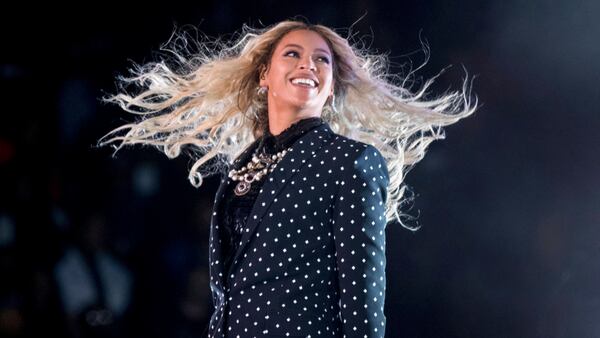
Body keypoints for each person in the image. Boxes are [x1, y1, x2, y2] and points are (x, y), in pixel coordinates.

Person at [100, 20, 477, 338]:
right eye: (293, 53)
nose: (307, 65)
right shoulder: (242, 166)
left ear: (331, 87)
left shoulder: (351, 161)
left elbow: (363, 297)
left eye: (321, 60)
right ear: (265, 74)